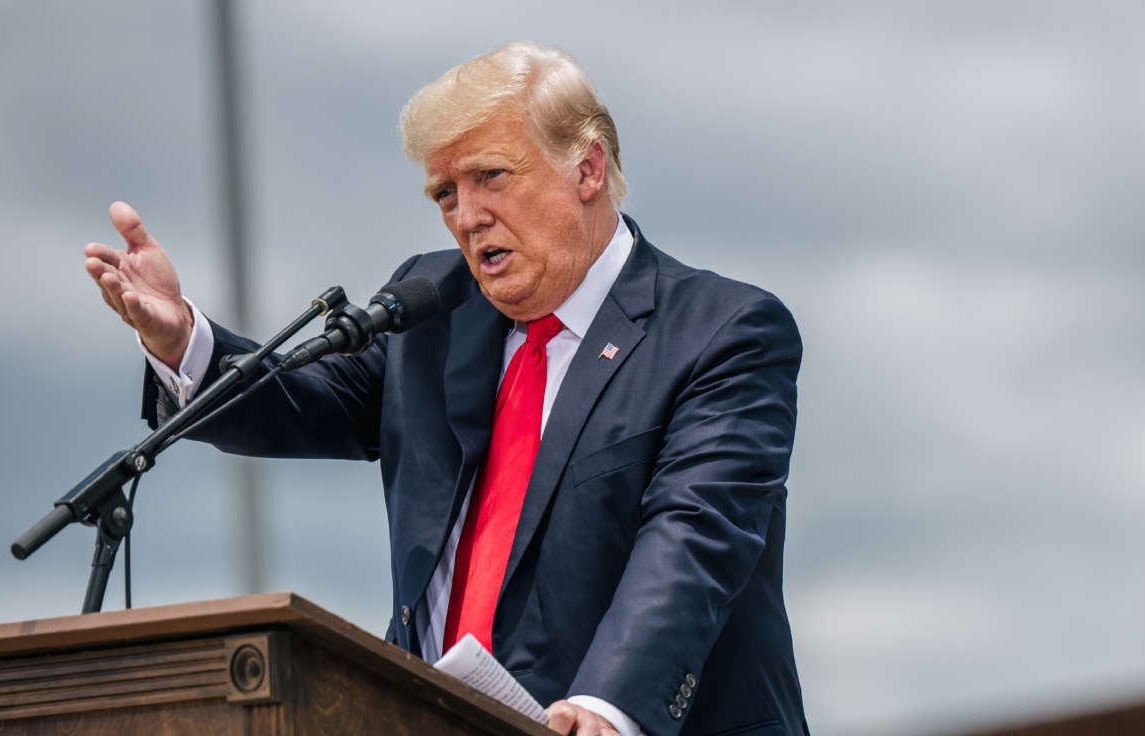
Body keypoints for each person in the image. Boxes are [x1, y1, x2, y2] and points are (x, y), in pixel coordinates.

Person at [84, 42, 808, 736]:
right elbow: (304, 402)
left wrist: (608, 704)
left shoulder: (723, 331)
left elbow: (692, 538)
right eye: (444, 193)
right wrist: (179, 338)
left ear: (587, 170)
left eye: (491, 176)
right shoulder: (436, 302)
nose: (465, 217)